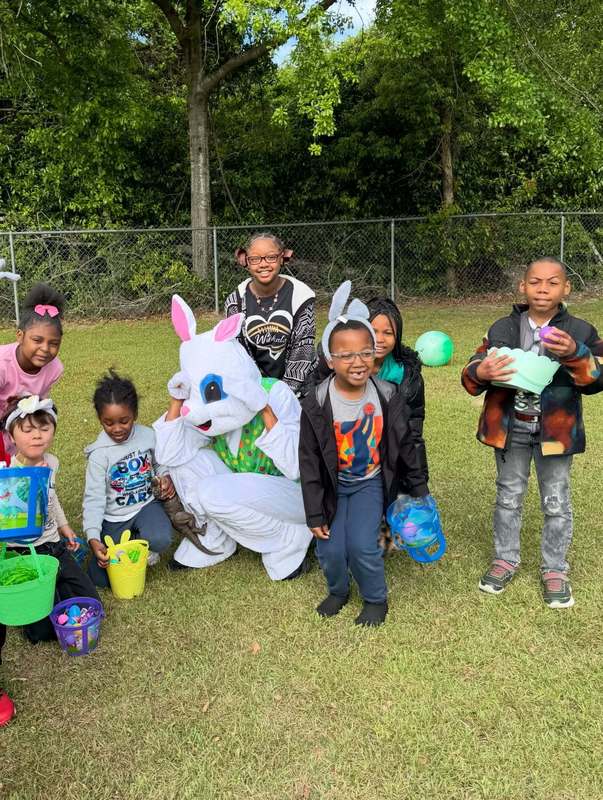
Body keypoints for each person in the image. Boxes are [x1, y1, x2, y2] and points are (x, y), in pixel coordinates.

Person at [461, 257, 603, 608]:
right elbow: (470, 375)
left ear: (566, 288)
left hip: (556, 431)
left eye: (552, 282)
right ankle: (505, 558)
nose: (543, 288)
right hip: (510, 430)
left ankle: (555, 568)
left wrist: (576, 353)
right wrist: (481, 370)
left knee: (556, 501)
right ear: (522, 287)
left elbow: (595, 380)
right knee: (508, 496)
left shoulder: (581, 331)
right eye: (535, 281)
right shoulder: (501, 328)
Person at [299, 282, 430, 627]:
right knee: (329, 547)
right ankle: (338, 590)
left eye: (365, 353)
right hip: (332, 485)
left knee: (361, 546)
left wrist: (418, 487)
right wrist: (314, 512)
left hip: (368, 484)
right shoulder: (317, 401)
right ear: (330, 359)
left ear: (375, 355)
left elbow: (407, 444)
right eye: (345, 355)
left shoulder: (387, 395)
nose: (356, 362)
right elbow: (309, 459)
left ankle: (375, 598)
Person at [2, 395, 101, 644]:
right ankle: (43, 604)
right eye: (27, 430)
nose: (37, 436)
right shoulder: (8, 474)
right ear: (12, 437)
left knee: (92, 603)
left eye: (44, 429)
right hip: (25, 554)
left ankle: (57, 589)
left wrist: (65, 527)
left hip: (54, 547)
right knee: (44, 634)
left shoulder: (52, 463)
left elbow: (51, 498)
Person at [302, 295, 429, 488]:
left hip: (382, 460)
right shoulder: (331, 365)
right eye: (373, 330)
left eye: (388, 333)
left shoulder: (406, 377)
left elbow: (412, 434)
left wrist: (418, 483)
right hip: (339, 460)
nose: (379, 339)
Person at [83, 371, 174, 587]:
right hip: (114, 517)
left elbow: (160, 462)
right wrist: (93, 537)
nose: (117, 429)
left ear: (134, 414)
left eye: (124, 421)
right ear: (100, 419)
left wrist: (165, 476)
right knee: (100, 578)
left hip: (145, 506)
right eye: (109, 423)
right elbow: (93, 499)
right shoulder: (99, 455)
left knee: (161, 538)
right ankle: (132, 541)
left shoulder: (148, 435)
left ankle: (145, 545)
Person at [224, 232, 316, 396]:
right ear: (245, 261)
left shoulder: (301, 297)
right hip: (255, 389)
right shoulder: (235, 302)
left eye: (271, 257)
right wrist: (259, 393)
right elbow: (239, 354)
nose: (263, 264)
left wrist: (283, 397)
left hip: (301, 389)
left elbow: (303, 352)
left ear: (282, 257)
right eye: (255, 259)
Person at [0, 284, 65, 465]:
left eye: (54, 343)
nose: (45, 349)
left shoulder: (54, 368)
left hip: (17, 428)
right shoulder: (2, 364)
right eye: (37, 340)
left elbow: (37, 405)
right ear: (20, 336)